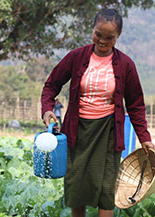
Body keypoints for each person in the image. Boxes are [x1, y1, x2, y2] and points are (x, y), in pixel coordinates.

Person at [40, 8, 154, 217]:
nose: (102, 40)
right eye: (98, 34)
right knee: (77, 187)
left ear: (117, 37)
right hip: (77, 131)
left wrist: (144, 138)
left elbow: (136, 105)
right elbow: (51, 85)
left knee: (106, 190)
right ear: (92, 30)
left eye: (109, 37)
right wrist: (47, 110)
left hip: (108, 133)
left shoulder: (126, 64)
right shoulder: (76, 57)